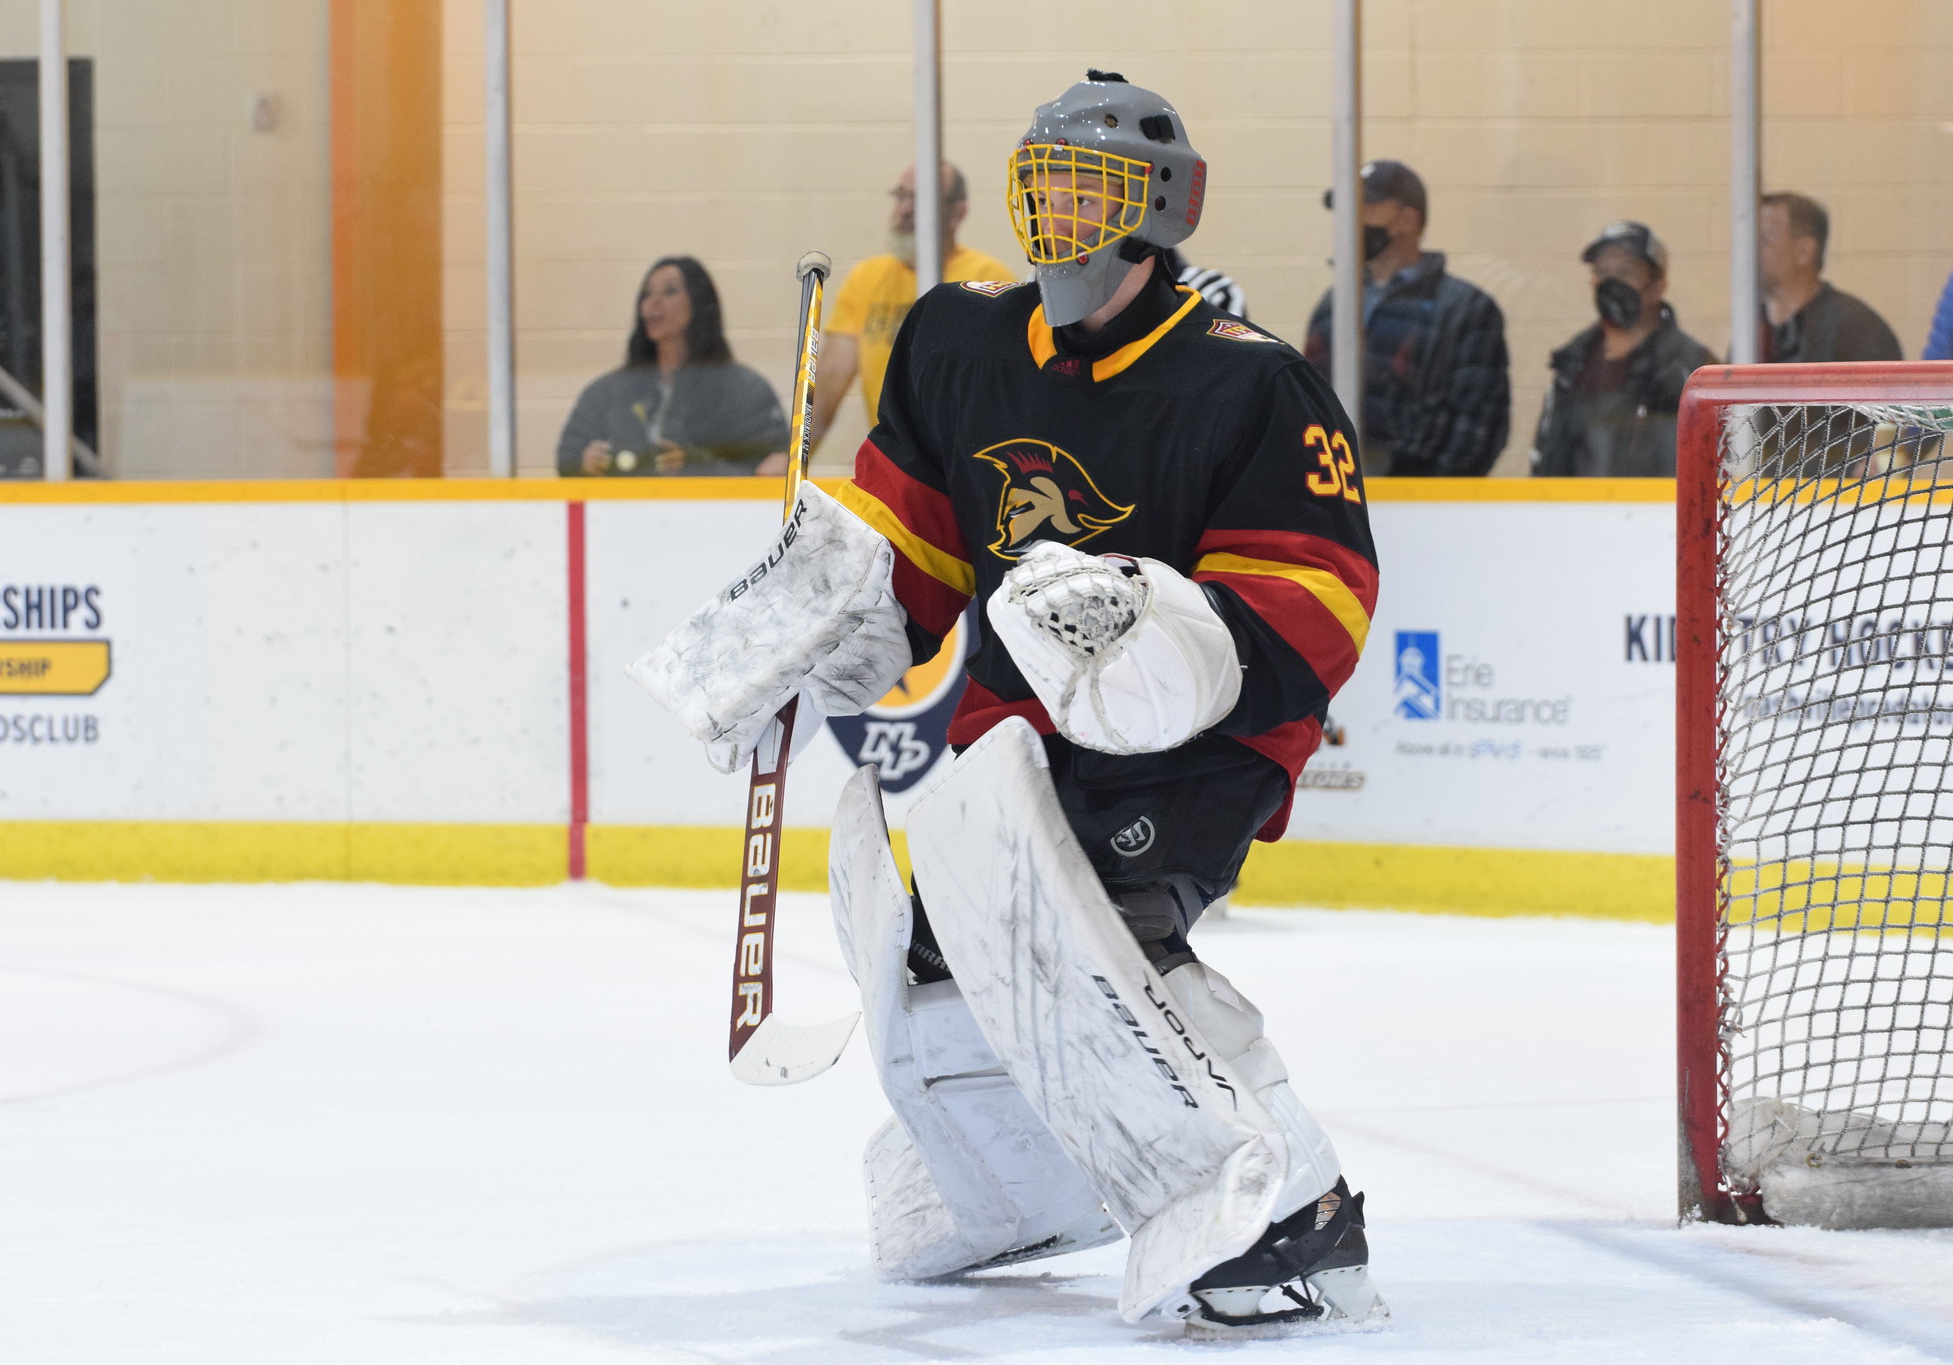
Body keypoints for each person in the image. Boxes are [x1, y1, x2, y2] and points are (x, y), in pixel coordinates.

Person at [630, 71, 1384, 1338]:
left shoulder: (1252, 384)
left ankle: (1288, 1213)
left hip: (1196, 745)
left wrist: (1152, 633)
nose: (1059, 217)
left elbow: (1319, 600)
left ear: (1158, 209)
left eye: (1091, 191)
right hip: (1007, 725)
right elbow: (910, 551)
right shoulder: (957, 340)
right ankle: (1015, 1186)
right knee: (929, 936)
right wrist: (813, 620)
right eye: (1044, 187)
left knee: (1102, 932)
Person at [1303, 160, 1510, 476]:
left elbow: (1479, 424)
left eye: (1365, 209)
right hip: (1339, 489)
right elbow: (1307, 400)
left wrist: (1429, 494)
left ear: (1407, 220)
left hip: (1420, 496)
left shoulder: (1465, 308)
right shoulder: (1336, 302)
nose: (1350, 222)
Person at [809, 162, 1017, 449]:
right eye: (901, 196)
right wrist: (793, 458)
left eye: (921, 199)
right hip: (893, 458)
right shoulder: (866, 278)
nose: (905, 210)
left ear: (957, 213)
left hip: (963, 455)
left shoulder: (986, 279)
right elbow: (831, 380)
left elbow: (1002, 390)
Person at [555, 257, 788, 477]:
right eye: (647, 293)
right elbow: (568, 457)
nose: (653, 302)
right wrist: (584, 463)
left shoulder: (743, 390)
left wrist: (696, 467)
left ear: (699, 302)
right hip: (625, 507)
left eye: (670, 291)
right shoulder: (609, 391)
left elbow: (774, 469)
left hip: (708, 507)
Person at [1531, 222, 1716, 477]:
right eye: (1602, 271)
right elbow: (1546, 464)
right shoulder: (1571, 365)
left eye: (1626, 272)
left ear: (1658, 286)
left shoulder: (1692, 370)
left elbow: (1706, 470)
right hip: (1576, 503)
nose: (1611, 283)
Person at [1758, 192, 1902, 363]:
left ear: (1803, 251)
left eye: (1764, 240)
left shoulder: (1857, 330)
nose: (1750, 252)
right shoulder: (1753, 327)